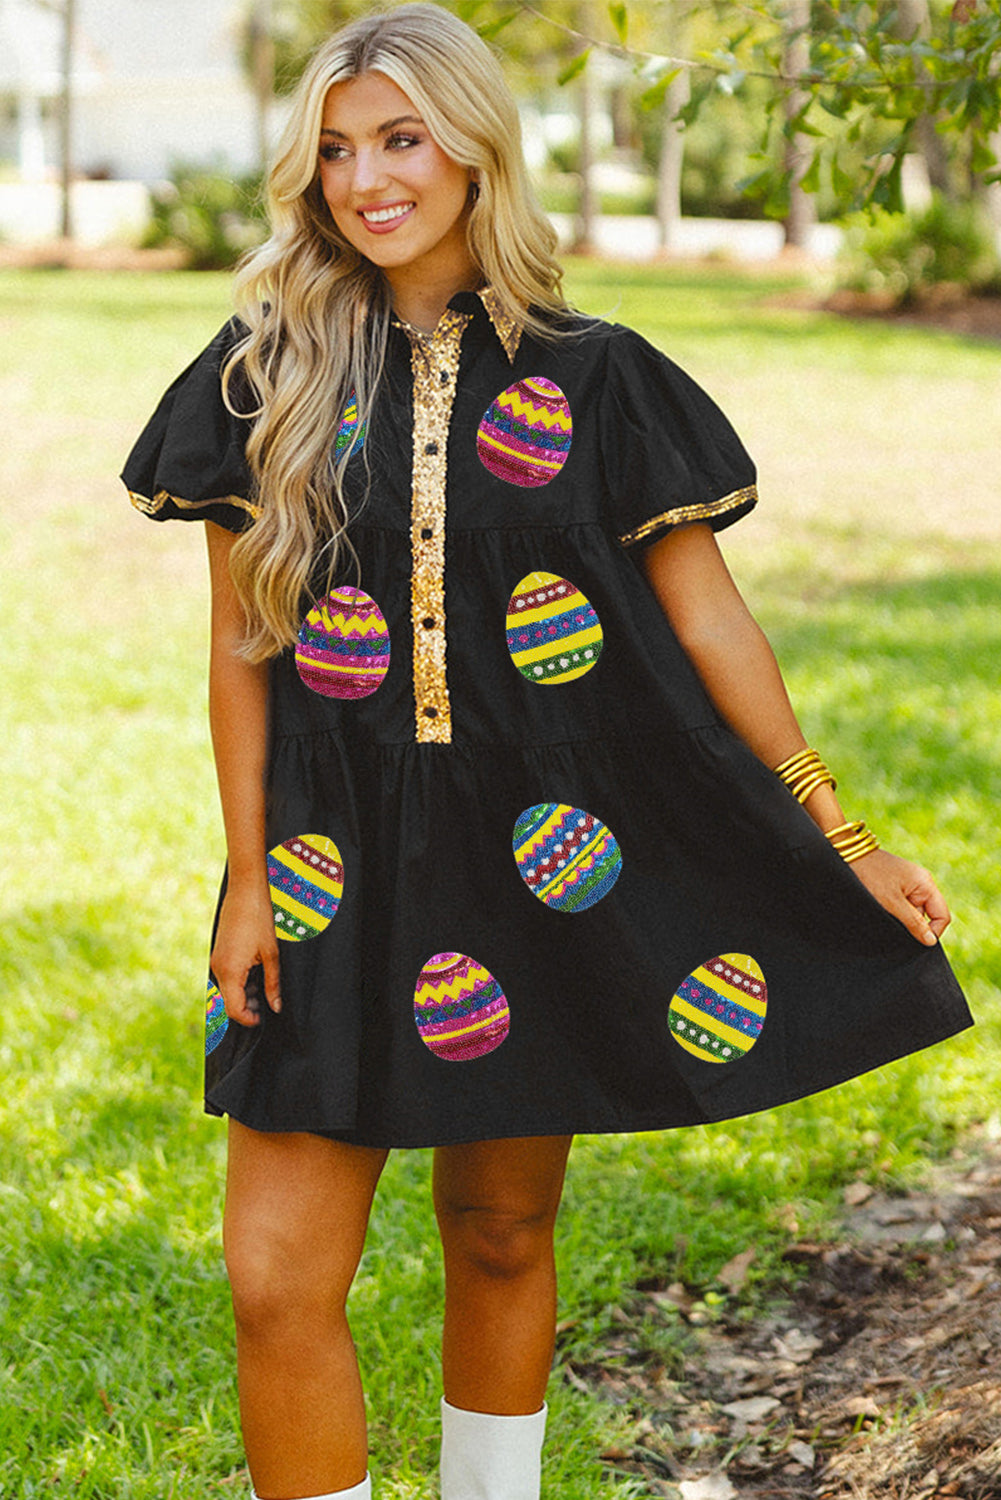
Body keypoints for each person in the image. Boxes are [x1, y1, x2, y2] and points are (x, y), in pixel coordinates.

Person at [122, 5, 972, 1498]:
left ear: (475, 149)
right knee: (274, 1277)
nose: (366, 179)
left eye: (401, 138)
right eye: (335, 150)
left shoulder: (599, 378)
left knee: (503, 1231)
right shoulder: (267, 372)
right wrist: (249, 880)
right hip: (327, 861)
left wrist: (837, 834)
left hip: (543, 855)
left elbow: (710, 623)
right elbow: (241, 648)